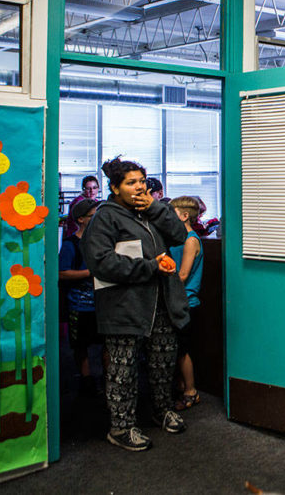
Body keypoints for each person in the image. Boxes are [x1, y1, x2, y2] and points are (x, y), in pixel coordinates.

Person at [80, 156, 190, 451]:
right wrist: (149, 266)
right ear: (115, 188)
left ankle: (162, 409)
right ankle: (121, 427)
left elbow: (180, 235)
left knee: (162, 362)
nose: (140, 187)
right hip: (124, 306)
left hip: (161, 302)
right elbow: (100, 262)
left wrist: (155, 208)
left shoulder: (152, 210)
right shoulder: (106, 216)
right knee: (123, 369)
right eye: (131, 183)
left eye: (142, 181)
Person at [58, 197, 101, 396]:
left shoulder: (102, 242)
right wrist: (89, 273)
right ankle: (86, 380)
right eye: (93, 216)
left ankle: (108, 379)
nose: (97, 219)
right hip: (79, 305)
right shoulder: (70, 244)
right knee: (81, 346)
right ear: (81, 219)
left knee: (107, 344)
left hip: (102, 305)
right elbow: (62, 273)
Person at [169, 196, 204, 411]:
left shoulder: (191, 240)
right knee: (176, 349)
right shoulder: (177, 238)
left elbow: (182, 274)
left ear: (184, 216)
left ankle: (191, 391)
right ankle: (181, 388)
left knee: (182, 350)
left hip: (187, 302)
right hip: (175, 300)